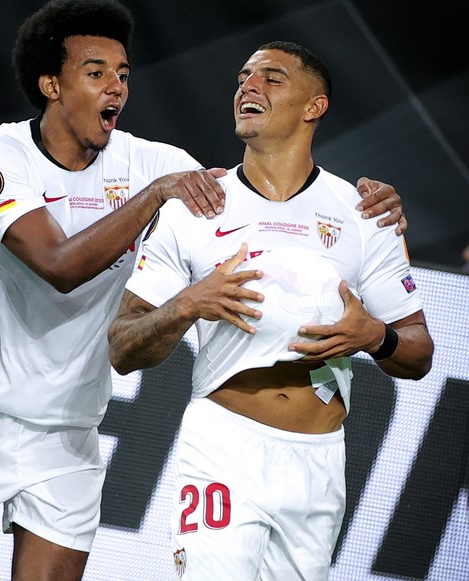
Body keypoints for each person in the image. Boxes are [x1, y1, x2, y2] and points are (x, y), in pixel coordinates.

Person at [0, 1, 407, 579]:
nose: (115, 87)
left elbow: (259, 197)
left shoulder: (152, 162)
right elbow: (57, 265)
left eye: (122, 74)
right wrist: (154, 195)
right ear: (51, 84)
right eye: (95, 73)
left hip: (69, 430)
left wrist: (369, 210)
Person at [107, 41, 434, 580]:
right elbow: (122, 346)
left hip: (319, 461)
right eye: (242, 78)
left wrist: (374, 336)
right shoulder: (197, 205)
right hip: (223, 447)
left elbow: (418, 352)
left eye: (271, 78)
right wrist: (191, 302)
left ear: (314, 106)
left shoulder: (363, 212)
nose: (247, 87)